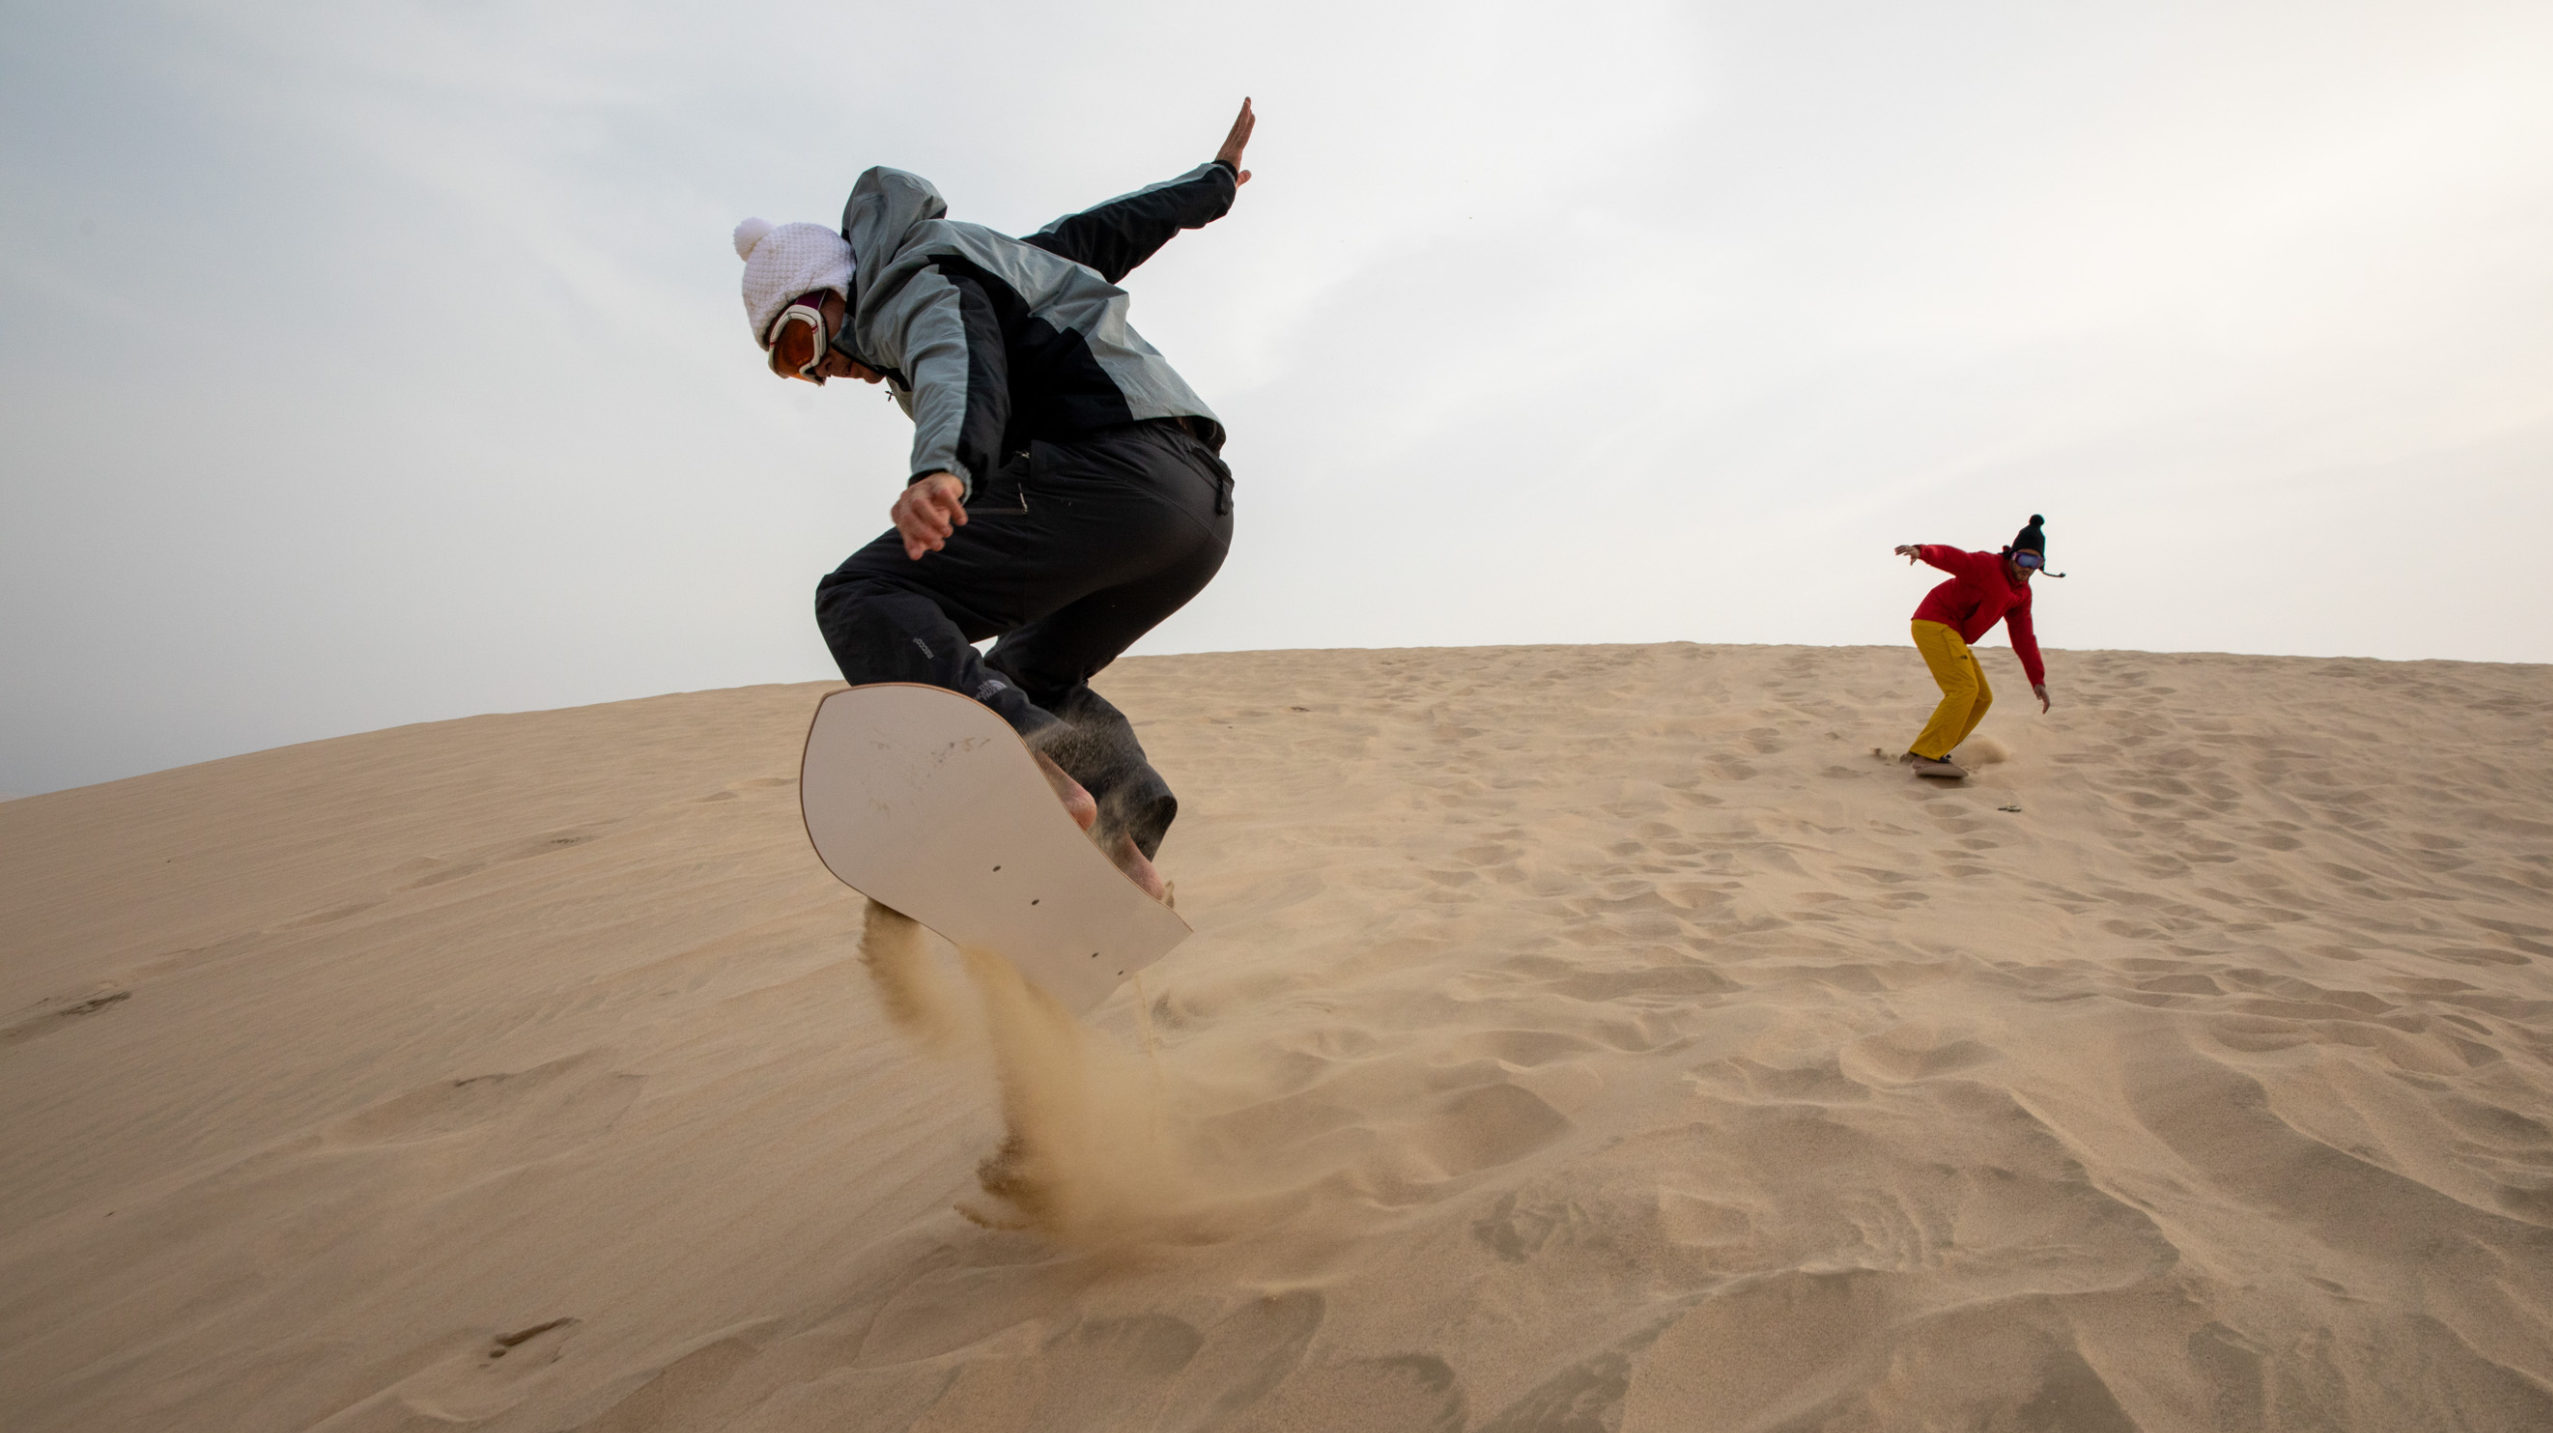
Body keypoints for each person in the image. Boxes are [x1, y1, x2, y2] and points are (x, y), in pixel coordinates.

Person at [733, 102, 1258, 899]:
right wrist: (1211, 186)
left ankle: (1026, 778)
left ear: (834, 287)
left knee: (860, 594)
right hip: (1197, 513)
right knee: (1028, 671)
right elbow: (1104, 234)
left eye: (803, 338)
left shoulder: (909, 280)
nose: (818, 370)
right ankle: (1124, 857)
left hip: (1116, 475)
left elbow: (956, 359)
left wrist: (942, 468)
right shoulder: (1001, 260)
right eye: (790, 367)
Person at [1890, 515, 2055, 777]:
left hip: (1952, 632)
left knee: (1982, 697)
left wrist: (2037, 679)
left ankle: (1924, 751)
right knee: (1964, 688)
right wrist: (1923, 551)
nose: (2028, 568)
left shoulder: (2022, 593)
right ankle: (1928, 755)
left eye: (2036, 563)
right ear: (2012, 555)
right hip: (1934, 620)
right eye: (2024, 559)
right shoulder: (1988, 566)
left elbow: (2023, 635)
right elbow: (1956, 559)